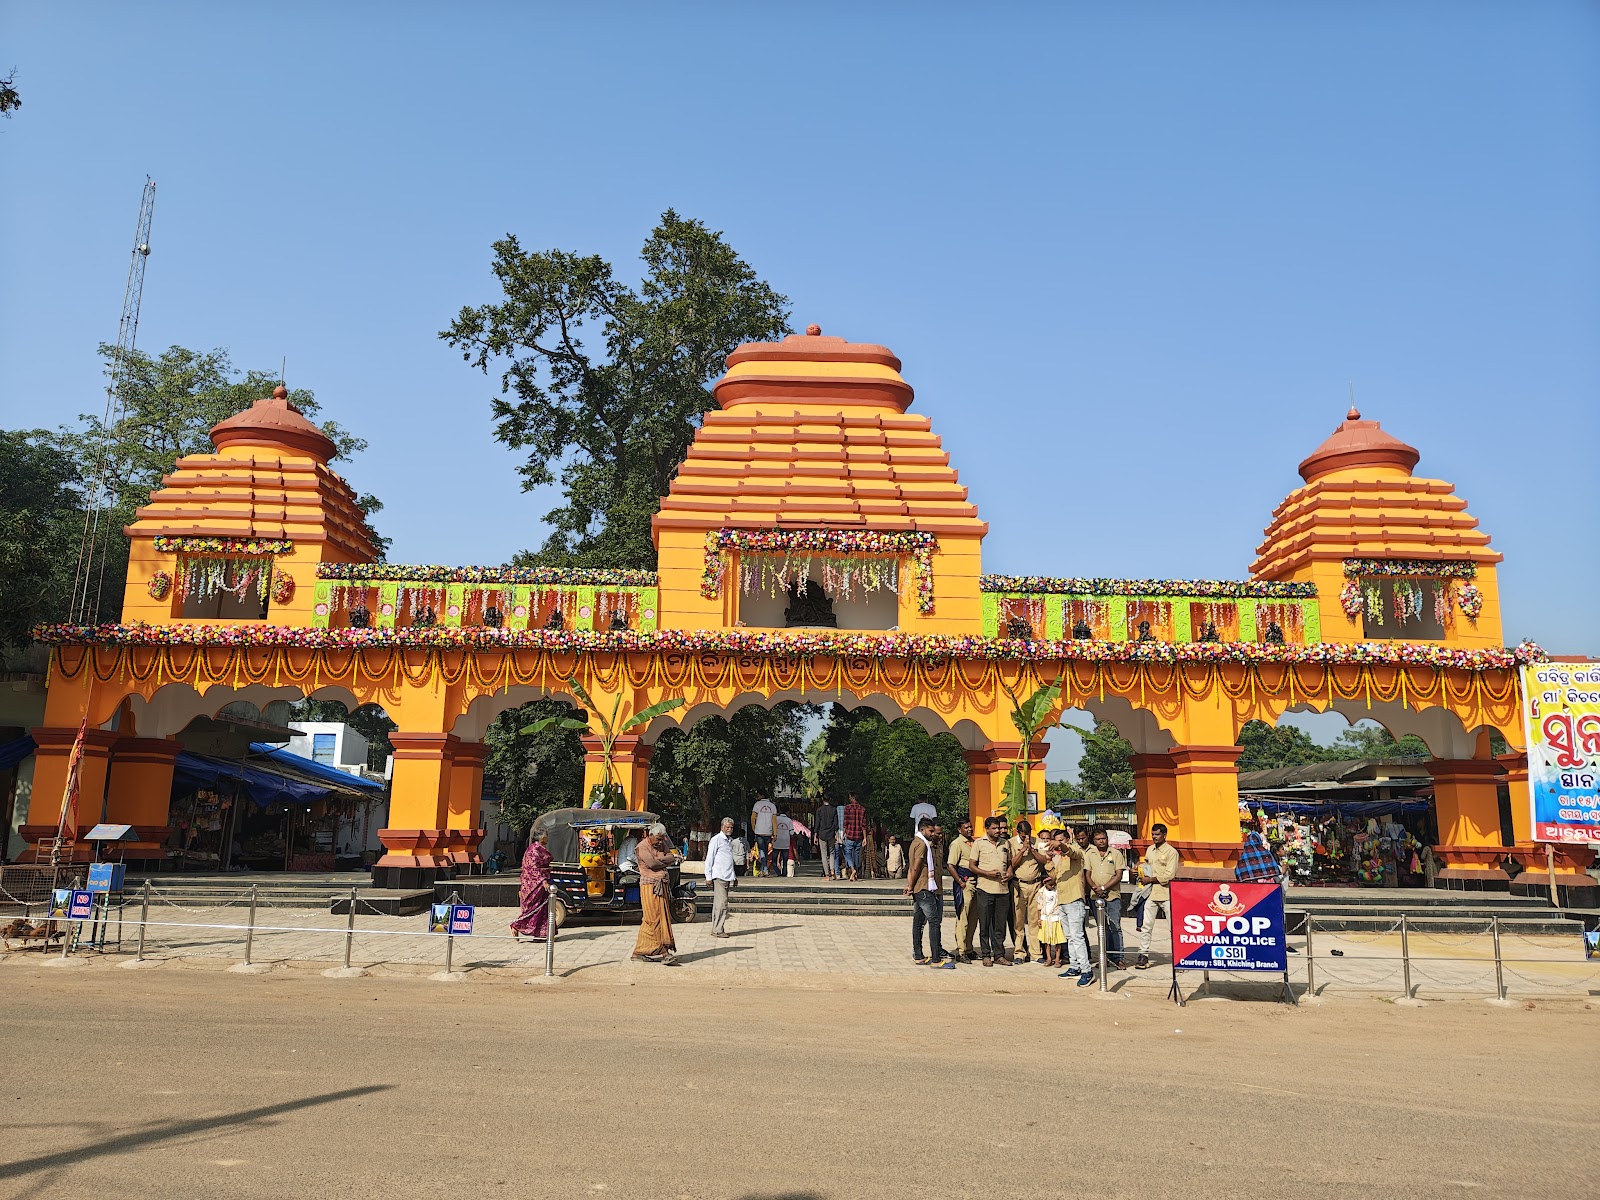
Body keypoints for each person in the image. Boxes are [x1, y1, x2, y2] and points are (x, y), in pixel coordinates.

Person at [904, 817, 954, 967]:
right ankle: (936, 960)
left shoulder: (916, 842)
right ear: (922, 830)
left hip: (922, 887)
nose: (932, 834)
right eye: (930, 831)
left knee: (918, 922)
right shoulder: (921, 844)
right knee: (934, 922)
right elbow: (916, 866)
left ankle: (918, 955)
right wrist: (910, 886)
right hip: (924, 887)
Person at [632, 823, 683, 964]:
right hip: (650, 886)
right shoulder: (642, 847)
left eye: (662, 840)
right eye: (658, 840)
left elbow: (671, 857)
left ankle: (640, 951)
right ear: (650, 835)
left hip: (662, 884)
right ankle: (663, 952)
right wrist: (663, 861)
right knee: (653, 919)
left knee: (662, 917)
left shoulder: (660, 845)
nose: (660, 843)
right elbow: (652, 864)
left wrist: (659, 860)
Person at [968, 816, 1013, 966]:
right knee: (985, 923)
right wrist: (987, 873)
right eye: (994, 828)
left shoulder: (1005, 843)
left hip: (1002, 890)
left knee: (1000, 925)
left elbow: (1010, 863)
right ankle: (986, 954)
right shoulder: (979, 844)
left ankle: (999, 954)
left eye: (999, 828)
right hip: (985, 889)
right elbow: (972, 866)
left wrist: (1010, 872)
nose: (997, 831)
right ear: (987, 829)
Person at [1135, 823, 1182, 969]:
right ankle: (1143, 955)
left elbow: (1170, 875)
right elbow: (1148, 867)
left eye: (1157, 834)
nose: (1154, 837)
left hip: (1166, 894)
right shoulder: (1150, 850)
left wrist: (1151, 879)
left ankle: (1179, 958)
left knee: (1172, 927)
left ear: (1164, 835)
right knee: (1146, 926)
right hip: (1150, 893)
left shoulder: (1171, 852)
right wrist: (1139, 869)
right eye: (1153, 834)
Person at [1051, 829, 1093, 985]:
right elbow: (1055, 877)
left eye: (1061, 840)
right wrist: (1050, 860)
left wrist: (1061, 846)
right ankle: (1075, 966)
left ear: (1068, 839)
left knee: (1077, 937)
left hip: (1074, 899)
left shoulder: (1076, 852)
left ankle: (1086, 970)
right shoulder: (1059, 858)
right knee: (1069, 937)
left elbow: (1073, 851)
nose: (1058, 844)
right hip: (1062, 900)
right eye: (1056, 841)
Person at [1083, 826, 1127, 970]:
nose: (1101, 841)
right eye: (1098, 839)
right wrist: (1095, 888)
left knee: (1115, 926)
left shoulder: (1116, 854)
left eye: (1103, 838)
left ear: (1107, 839)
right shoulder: (1090, 854)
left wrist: (1104, 888)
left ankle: (1119, 958)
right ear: (1094, 841)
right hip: (1095, 896)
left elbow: (1118, 875)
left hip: (1112, 895)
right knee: (1102, 928)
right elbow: (1087, 875)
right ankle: (1105, 957)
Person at [1007, 819, 1049, 964]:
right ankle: (1019, 953)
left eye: (1029, 835)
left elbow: (1044, 860)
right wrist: (1023, 850)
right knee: (1018, 921)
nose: (1027, 838)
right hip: (1019, 885)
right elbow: (1011, 863)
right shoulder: (1011, 843)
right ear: (1018, 833)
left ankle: (1036, 953)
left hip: (1035, 885)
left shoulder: (1037, 842)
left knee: (1034, 920)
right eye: (1024, 835)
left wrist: (1032, 849)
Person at [509, 829, 553, 941]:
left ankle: (540, 933)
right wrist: (543, 881)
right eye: (546, 836)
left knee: (542, 908)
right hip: (533, 884)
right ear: (541, 837)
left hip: (542, 883)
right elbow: (533, 868)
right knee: (532, 908)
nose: (548, 838)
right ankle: (516, 925)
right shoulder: (534, 850)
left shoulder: (540, 848)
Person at [946, 818, 977, 962]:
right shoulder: (957, 844)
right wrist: (960, 882)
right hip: (964, 882)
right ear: (960, 829)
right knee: (963, 918)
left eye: (970, 826)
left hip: (976, 882)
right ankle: (961, 950)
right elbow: (950, 865)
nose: (970, 829)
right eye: (966, 827)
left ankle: (969, 947)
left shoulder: (975, 842)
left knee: (973, 918)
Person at [705, 817, 737, 938]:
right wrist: (708, 876)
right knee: (721, 903)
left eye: (731, 827)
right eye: (727, 827)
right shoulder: (716, 840)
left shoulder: (730, 841)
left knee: (720, 903)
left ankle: (717, 928)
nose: (729, 829)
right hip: (719, 876)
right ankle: (717, 930)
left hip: (727, 875)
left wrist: (734, 876)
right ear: (722, 827)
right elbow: (710, 858)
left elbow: (729, 860)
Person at [1236, 813, 1283, 884]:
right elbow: (1272, 871)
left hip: (1249, 888)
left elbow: (1240, 873)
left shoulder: (1243, 856)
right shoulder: (1265, 853)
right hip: (1266, 889)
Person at [1033, 874, 1065, 968]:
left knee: (1058, 940)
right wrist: (1039, 919)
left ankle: (1057, 959)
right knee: (1047, 941)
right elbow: (1039, 906)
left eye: (1054, 885)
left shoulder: (1057, 892)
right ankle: (1049, 958)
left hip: (1055, 917)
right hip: (1045, 918)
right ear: (1045, 883)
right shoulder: (1041, 892)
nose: (1052, 886)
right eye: (1050, 885)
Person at [841, 794, 867, 882]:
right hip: (859, 835)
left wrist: (843, 834)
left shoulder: (847, 808)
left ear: (851, 798)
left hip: (850, 834)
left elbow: (845, 823)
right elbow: (864, 825)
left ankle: (852, 869)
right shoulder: (862, 809)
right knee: (856, 854)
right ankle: (855, 874)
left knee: (847, 853)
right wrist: (864, 838)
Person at [751, 797, 777, 876]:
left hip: (759, 832)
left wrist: (754, 828)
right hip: (768, 832)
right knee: (765, 850)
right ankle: (763, 869)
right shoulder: (772, 806)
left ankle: (764, 868)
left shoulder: (757, 805)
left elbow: (752, 818)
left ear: (761, 795)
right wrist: (775, 833)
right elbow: (774, 821)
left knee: (762, 850)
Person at [814, 800, 839, 880]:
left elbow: (817, 823)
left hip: (822, 834)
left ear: (823, 799)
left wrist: (815, 835)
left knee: (824, 854)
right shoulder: (833, 809)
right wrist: (836, 834)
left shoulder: (819, 810)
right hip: (831, 834)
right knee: (832, 853)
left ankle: (827, 875)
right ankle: (832, 870)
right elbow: (836, 823)